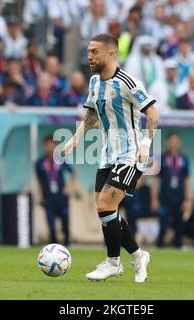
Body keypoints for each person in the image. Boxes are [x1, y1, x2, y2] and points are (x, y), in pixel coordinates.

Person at [61, 33, 159, 283]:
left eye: (94, 51)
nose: (89, 56)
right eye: (88, 51)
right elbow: (92, 115)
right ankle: (138, 256)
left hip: (131, 154)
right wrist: (75, 139)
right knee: (106, 210)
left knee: (105, 205)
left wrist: (146, 144)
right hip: (107, 155)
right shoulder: (94, 82)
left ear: (111, 53)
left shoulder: (128, 82)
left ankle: (113, 263)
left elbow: (153, 114)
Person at [150, 133, 190, 248]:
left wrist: (187, 199)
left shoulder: (184, 159)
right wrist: (154, 199)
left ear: (179, 142)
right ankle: (159, 246)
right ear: (167, 142)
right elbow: (155, 180)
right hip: (164, 197)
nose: (174, 143)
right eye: (171, 141)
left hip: (179, 197)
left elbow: (187, 180)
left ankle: (178, 247)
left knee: (179, 225)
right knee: (163, 225)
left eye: (176, 141)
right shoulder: (161, 158)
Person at [35, 135, 76, 246]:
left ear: (55, 146)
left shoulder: (61, 159)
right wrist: (40, 195)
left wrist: (69, 187)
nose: (50, 146)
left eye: (52, 144)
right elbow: (39, 181)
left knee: (65, 222)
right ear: (44, 145)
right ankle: (53, 246)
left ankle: (67, 244)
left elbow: (73, 172)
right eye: (47, 144)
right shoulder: (39, 162)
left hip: (61, 197)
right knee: (51, 224)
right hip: (48, 197)